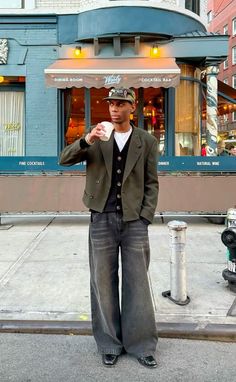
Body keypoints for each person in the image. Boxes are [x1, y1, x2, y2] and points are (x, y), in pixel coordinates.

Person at [60, 87, 159, 368]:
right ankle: (109, 343)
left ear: (132, 108)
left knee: (137, 283)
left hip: (134, 221)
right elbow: (63, 159)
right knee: (102, 282)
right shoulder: (96, 137)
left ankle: (141, 344)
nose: (114, 108)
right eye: (111, 104)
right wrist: (86, 139)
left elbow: (152, 183)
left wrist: (145, 216)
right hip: (101, 218)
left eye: (121, 104)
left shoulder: (147, 142)